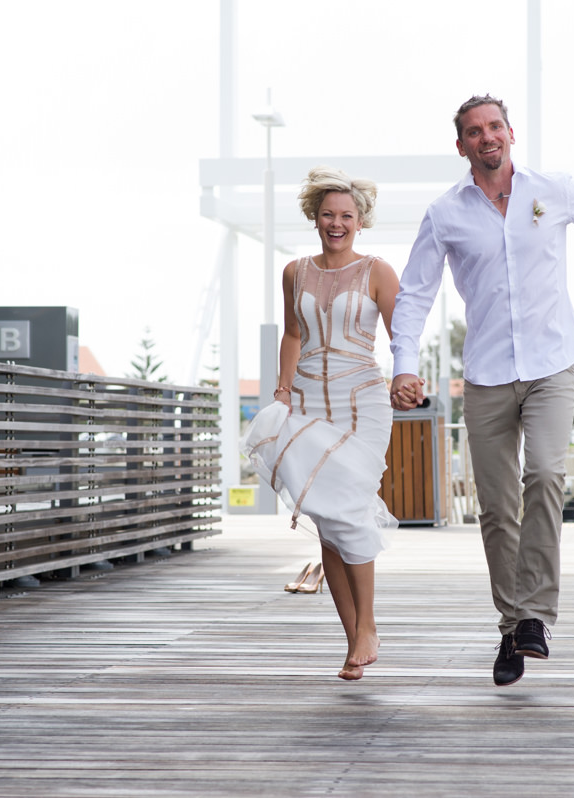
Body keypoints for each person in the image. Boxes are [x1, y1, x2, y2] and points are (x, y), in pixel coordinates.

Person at [389, 95, 574, 687]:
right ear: (461, 145)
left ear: (510, 133)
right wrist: (404, 365)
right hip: (487, 375)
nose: (486, 137)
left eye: (495, 126)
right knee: (496, 508)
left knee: (544, 474)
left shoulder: (554, 189)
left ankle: (536, 615)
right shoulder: (446, 214)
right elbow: (415, 293)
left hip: (551, 364)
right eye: (474, 131)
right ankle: (511, 627)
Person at [242, 166, 401, 682]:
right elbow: (292, 333)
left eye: (347, 216)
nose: (337, 223)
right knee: (329, 526)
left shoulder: (378, 271)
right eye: (328, 215)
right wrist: (283, 387)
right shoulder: (294, 272)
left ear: (361, 221)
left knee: (350, 506)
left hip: (364, 403)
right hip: (309, 399)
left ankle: (370, 627)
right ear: (316, 218)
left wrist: (410, 377)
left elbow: (405, 335)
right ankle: (353, 639)